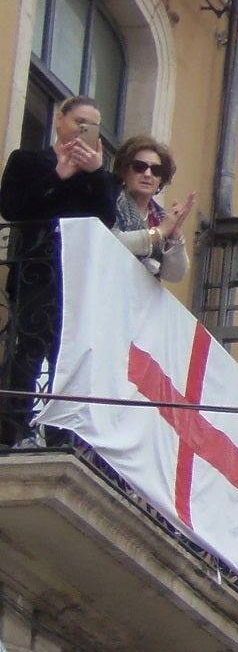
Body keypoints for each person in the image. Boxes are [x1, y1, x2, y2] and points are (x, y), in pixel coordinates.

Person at [0, 97, 119, 445]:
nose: (83, 129)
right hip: (37, 271)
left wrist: (96, 173)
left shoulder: (99, 177)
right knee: (28, 347)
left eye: (91, 125)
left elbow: (106, 218)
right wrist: (57, 175)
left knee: (68, 355)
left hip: (79, 278)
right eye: (78, 121)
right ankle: (11, 430)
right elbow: (12, 209)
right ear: (59, 120)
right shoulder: (28, 161)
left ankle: (60, 436)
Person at [111, 136, 194, 282]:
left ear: (161, 179)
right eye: (139, 167)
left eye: (156, 170)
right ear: (125, 171)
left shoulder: (161, 217)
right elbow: (109, 242)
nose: (148, 174)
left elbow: (174, 276)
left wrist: (174, 233)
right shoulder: (110, 200)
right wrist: (158, 232)